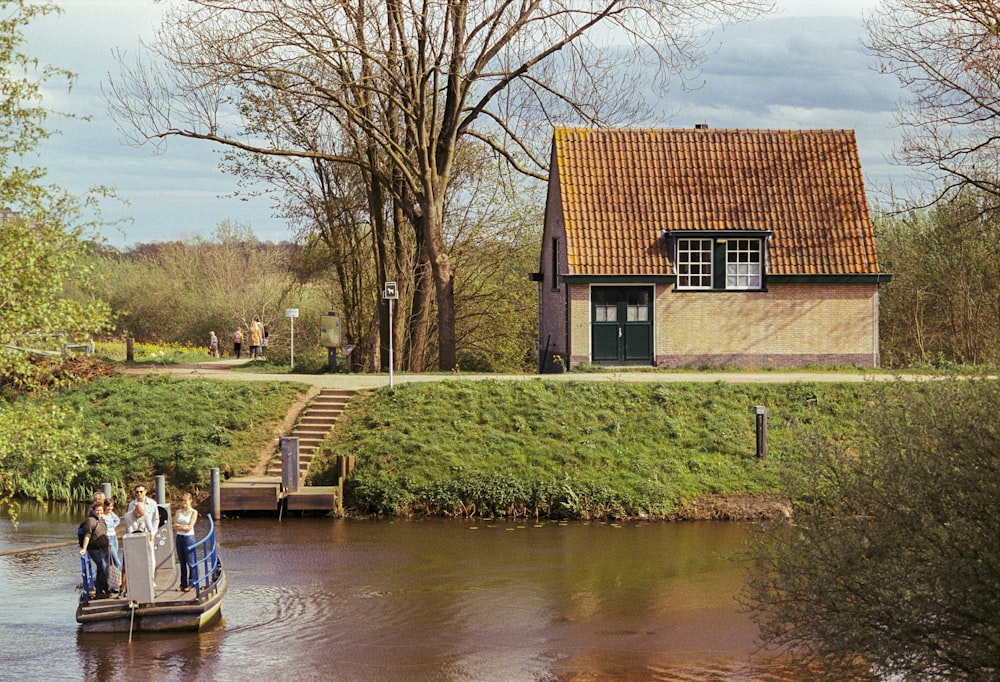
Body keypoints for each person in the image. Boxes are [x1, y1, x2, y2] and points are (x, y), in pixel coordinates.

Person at [79, 501, 111, 598]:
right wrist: (84, 548)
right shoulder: (90, 521)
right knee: (103, 568)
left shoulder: (102, 520)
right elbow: (87, 535)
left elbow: (104, 533)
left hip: (104, 548)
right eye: (97, 510)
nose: (99, 512)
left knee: (103, 569)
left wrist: (108, 543)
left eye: (101, 510)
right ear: (93, 511)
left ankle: (102, 590)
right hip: (95, 549)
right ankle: (102, 590)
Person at [123, 499, 157, 583]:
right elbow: (130, 532)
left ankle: (151, 579)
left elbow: (150, 529)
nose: (139, 516)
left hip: (145, 537)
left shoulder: (145, 515)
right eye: (138, 514)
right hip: (133, 538)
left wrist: (151, 539)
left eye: (141, 514)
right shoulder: (128, 516)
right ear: (134, 510)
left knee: (151, 558)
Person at [172, 492, 199, 591]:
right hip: (179, 537)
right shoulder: (178, 512)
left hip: (189, 538)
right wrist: (182, 527)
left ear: (190, 501)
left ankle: (192, 583)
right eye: (182, 500)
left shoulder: (193, 512)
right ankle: (183, 584)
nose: (184, 502)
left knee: (191, 561)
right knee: (182, 561)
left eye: (186, 500)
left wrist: (181, 526)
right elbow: (174, 525)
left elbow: (189, 527)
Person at [103, 497, 121, 571]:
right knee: (117, 562)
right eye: (108, 506)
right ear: (104, 506)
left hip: (114, 537)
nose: (110, 508)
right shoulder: (102, 516)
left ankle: (111, 577)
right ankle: (117, 579)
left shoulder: (111, 514)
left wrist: (112, 526)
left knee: (113, 558)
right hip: (108, 538)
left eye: (111, 506)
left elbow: (117, 520)